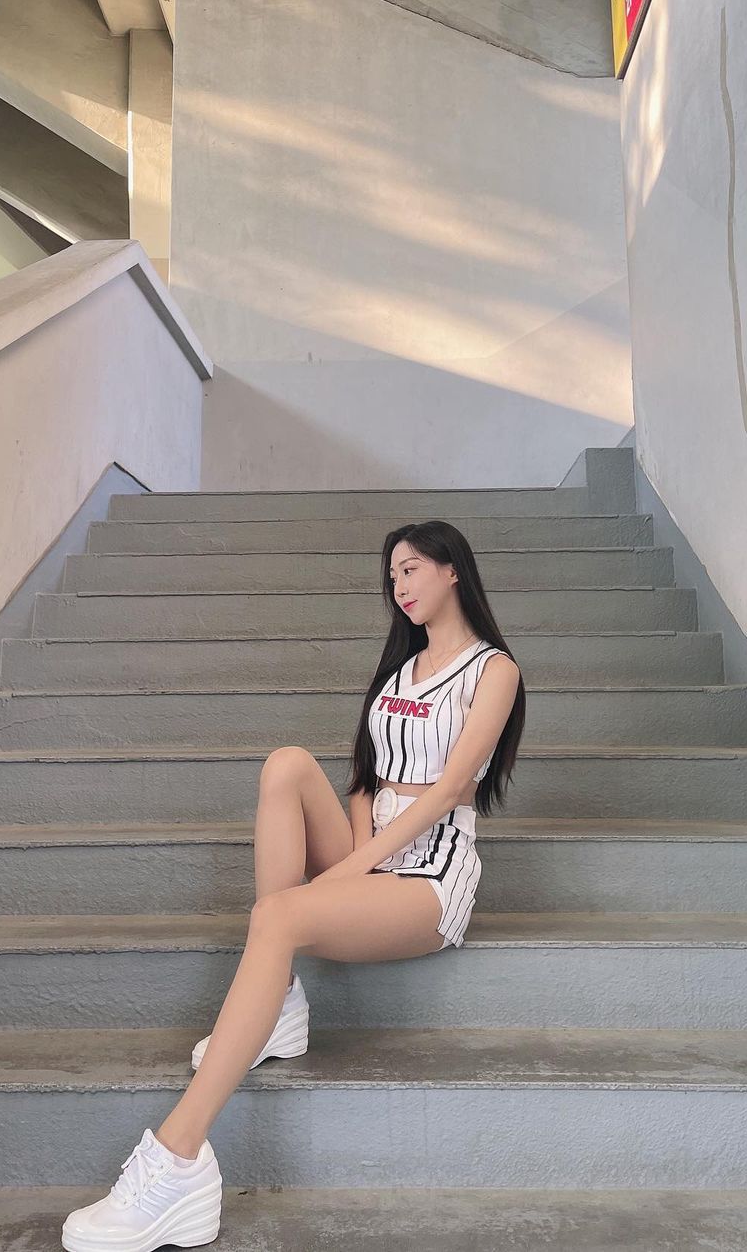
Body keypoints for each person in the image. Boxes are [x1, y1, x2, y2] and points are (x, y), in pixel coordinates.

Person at [61, 520, 526, 1252]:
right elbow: (366, 779)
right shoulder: (399, 670)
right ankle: (276, 999)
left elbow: (445, 793)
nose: (399, 587)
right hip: (375, 851)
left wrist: (346, 872)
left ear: (452, 571)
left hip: (432, 876)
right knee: (285, 764)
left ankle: (178, 1160)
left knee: (277, 916)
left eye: (410, 569)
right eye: (392, 576)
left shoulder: (493, 670)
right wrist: (359, 852)